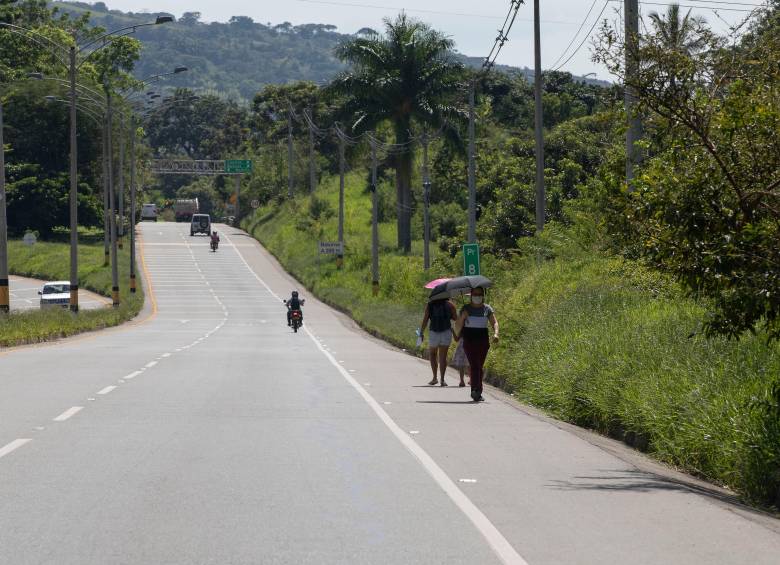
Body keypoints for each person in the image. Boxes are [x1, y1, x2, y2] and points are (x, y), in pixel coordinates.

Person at [454, 287, 499, 402]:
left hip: (482, 340)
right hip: (469, 340)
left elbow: (494, 322)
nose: (477, 296)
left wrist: (496, 334)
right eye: (475, 294)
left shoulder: (487, 309)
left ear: (483, 295)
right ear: (471, 295)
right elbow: (457, 327)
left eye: (479, 294)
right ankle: (475, 390)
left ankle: (478, 391)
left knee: (479, 365)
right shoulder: (465, 309)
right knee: (474, 364)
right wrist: (463, 317)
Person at [419, 297, 457, 386]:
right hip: (446, 331)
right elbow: (455, 318)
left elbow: (425, 319)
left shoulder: (430, 304)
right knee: (443, 357)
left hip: (434, 332)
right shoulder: (450, 304)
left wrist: (421, 332)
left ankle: (434, 378)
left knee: (433, 354)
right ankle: (442, 380)